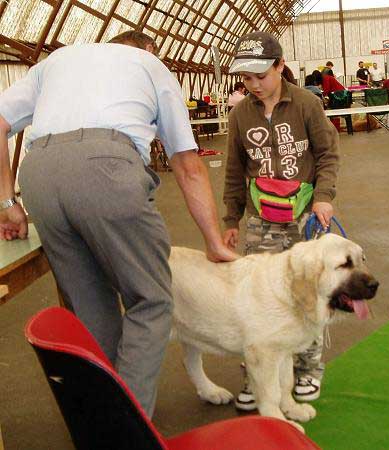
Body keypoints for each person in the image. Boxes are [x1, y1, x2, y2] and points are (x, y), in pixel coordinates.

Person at [0, 30, 237, 418]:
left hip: (39, 174)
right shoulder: (151, 65)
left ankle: (100, 420)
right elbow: (188, 164)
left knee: (92, 308)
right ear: (147, 49)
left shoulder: (57, 61)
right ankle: (125, 428)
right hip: (106, 170)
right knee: (152, 299)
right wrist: (213, 241)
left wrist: (8, 203)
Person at [223, 31, 339, 411]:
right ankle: (258, 377)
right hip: (261, 220)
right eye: (246, 78)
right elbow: (234, 170)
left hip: (306, 217)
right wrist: (231, 219)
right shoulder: (240, 114)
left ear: (279, 65)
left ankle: (308, 370)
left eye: (261, 75)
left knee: (309, 293)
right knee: (260, 300)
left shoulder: (307, 103)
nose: (253, 85)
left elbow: (326, 155)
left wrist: (323, 198)